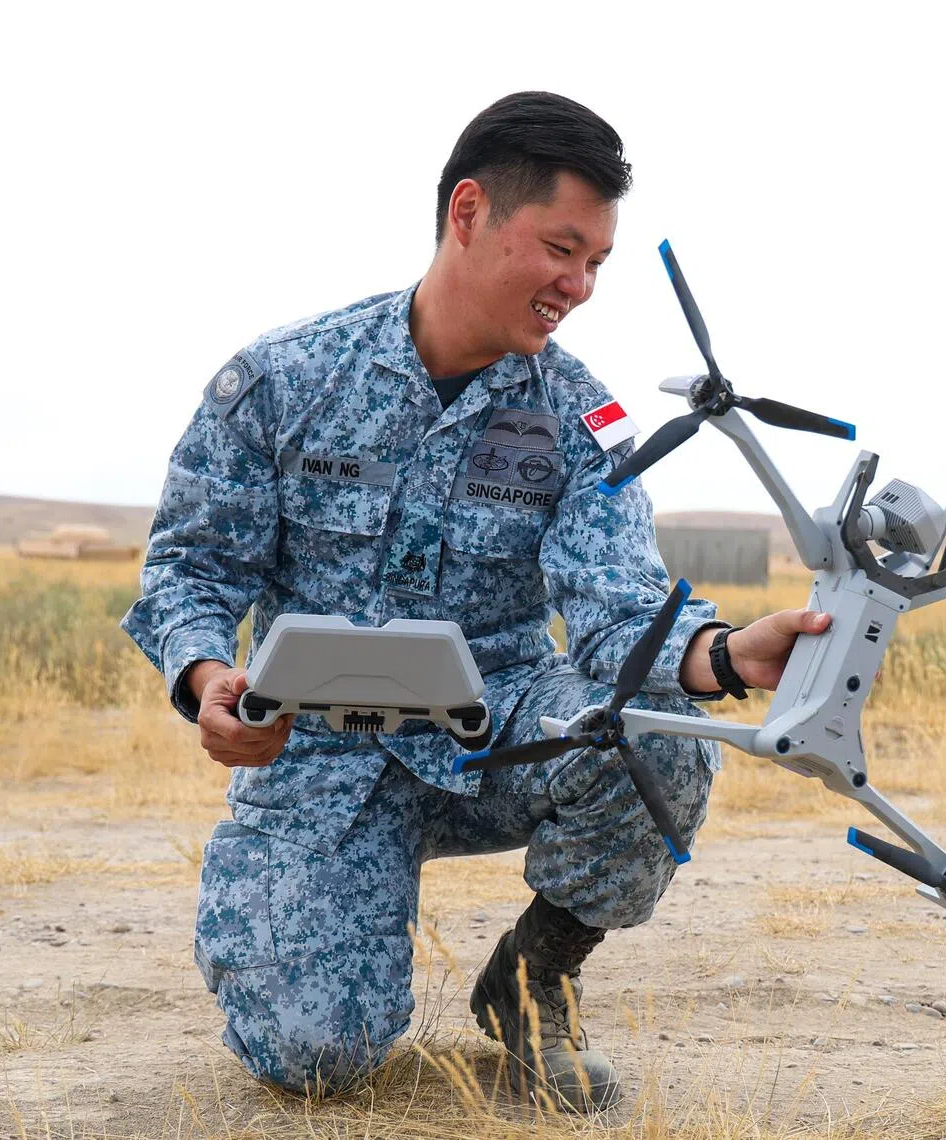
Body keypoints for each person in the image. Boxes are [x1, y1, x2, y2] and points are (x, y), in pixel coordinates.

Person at [122, 90, 830, 1112]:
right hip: (317, 749)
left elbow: (619, 606)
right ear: (469, 214)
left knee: (654, 738)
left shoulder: (585, 414)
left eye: (596, 262)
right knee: (315, 1061)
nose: (579, 286)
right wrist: (204, 678)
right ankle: (322, 911)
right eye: (561, 248)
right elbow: (189, 567)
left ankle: (535, 980)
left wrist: (720, 655)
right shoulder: (285, 379)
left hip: (495, 728)